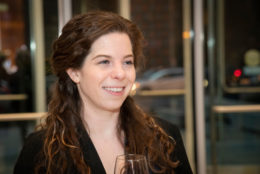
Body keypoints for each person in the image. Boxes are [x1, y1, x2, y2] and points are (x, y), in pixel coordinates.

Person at [13, 11, 193, 174]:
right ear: (74, 72)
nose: (120, 73)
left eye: (127, 62)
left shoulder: (165, 138)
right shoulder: (41, 151)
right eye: (104, 62)